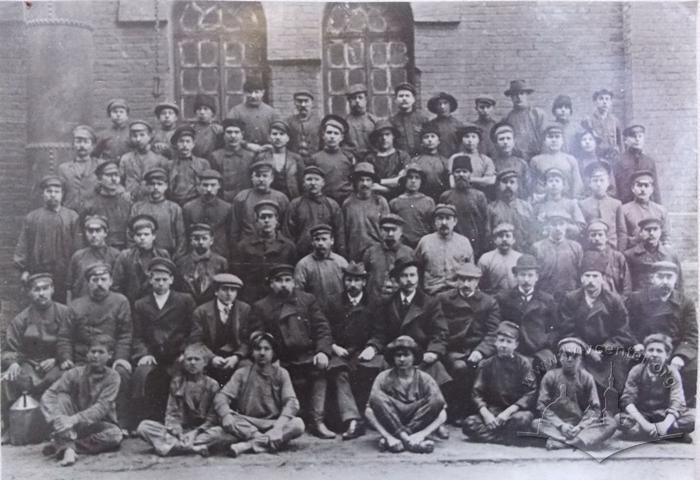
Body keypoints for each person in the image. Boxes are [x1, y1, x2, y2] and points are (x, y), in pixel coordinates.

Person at [247, 264, 335, 438]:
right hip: (281, 358)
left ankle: (317, 421)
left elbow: (322, 328)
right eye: (278, 281)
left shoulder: (307, 300)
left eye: (288, 280)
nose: (284, 285)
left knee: (320, 371)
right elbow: (257, 336)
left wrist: (323, 351)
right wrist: (271, 358)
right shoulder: (261, 306)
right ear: (271, 284)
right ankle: (282, 421)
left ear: (294, 282)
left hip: (307, 354)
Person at [359, 258, 452, 396]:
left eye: (412, 275)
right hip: (393, 356)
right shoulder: (386, 302)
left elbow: (440, 333)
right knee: (368, 371)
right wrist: (372, 347)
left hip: (421, 357)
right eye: (404, 276)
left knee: (436, 383)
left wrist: (434, 351)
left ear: (418, 277)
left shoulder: (430, 303)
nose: (409, 280)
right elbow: (380, 332)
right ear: (397, 279)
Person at [56, 263, 133, 430]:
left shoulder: (120, 301)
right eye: (94, 279)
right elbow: (65, 336)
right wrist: (66, 358)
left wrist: (120, 358)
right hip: (84, 357)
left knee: (122, 374)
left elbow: (125, 334)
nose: (99, 283)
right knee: (69, 377)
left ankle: (122, 423)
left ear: (111, 281)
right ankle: (74, 424)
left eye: (103, 279)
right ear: (88, 283)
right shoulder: (76, 305)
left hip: (110, 357)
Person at [211, 331, 305, 456]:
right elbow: (222, 396)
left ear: (273, 352)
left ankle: (248, 445)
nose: (262, 353)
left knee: (298, 424)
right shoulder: (242, 373)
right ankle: (263, 441)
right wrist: (226, 414)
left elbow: (291, 402)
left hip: (273, 423)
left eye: (266, 349)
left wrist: (277, 427)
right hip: (247, 423)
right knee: (226, 417)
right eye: (257, 349)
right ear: (252, 352)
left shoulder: (281, 373)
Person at [558, 251, 636, 393]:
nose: (591, 281)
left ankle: (614, 406)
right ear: (581, 278)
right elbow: (567, 330)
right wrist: (587, 349)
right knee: (573, 367)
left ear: (603, 279)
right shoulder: (571, 299)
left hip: (607, 351)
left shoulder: (614, 300)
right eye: (587, 276)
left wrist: (603, 349)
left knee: (618, 367)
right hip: (581, 348)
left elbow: (623, 332)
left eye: (595, 276)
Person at [40, 335, 123, 467]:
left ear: (110, 355)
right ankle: (66, 446)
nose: (95, 355)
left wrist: (73, 419)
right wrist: (57, 418)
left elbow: (102, 407)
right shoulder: (74, 373)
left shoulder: (113, 377)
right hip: (70, 426)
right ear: (87, 353)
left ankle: (65, 446)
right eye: (92, 351)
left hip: (95, 424)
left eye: (101, 352)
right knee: (61, 397)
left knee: (115, 435)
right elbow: (48, 395)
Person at [131, 258, 196, 425]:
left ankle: (182, 419)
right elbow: (137, 336)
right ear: (150, 280)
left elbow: (194, 331)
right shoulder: (140, 304)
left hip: (177, 353)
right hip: (153, 354)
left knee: (183, 373)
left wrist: (185, 353)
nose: (160, 283)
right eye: (157, 279)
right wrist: (143, 354)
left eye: (164, 280)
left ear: (172, 280)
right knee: (142, 374)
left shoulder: (185, 300)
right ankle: (141, 420)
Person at [1, 273, 67, 437]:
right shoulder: (21, 319)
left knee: (66, 377)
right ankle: (10, 425)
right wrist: (13, 363)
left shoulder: (65, 313)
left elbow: (75, 342)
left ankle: (59, 426)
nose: (41, 293)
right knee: (8, 378)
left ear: (52, 289)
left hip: (57, 364)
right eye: (36, 290)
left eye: (45, 288)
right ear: (30, 293)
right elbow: (9, 348)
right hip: (29, 365)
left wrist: (57, 359)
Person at [626, 261, 697, 405]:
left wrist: (680, 356)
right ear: (652, 278)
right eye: (660, 277)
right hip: (644, 349)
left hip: (673, 350)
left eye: (669, 277)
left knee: (693, 368)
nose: (665, 281)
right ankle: (638, 405)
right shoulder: (636, 299)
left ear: (675, 279)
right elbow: (625, 327)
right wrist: (635, 344)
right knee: (627, 367)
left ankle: (680, 405)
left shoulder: (685, 302)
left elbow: (692, 334)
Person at [436, 263, 501, 422]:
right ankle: (458, 412)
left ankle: (476, 410)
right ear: (456, 280)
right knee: (459, 367)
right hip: (453, 348)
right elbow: (438, 327)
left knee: (482, 367)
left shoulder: (488, 302)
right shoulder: (444, 299)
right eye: (462, 279)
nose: (466, 284)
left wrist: (480, 351)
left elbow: (493, 332)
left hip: (477, 348)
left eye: (471, 280)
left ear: (478, 281)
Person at [365, 335, 447, 454]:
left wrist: (423, 433)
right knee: (376, 398)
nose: (402, 359)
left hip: (417, 421)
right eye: (398, 355)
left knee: (437, 400)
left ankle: (402, 439)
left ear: (414, 357)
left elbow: (442, 412)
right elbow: (369, 412)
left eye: (406, 355)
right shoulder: (383, 377)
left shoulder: (425, 378)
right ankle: (405, 440)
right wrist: (386, 435)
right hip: (392, 419)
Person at [531, 337, 617, 450]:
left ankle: (566, 442)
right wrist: (561, 425)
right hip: (557, 423)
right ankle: (579, 441)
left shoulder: (587, 377)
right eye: (566, 355)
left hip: (581, 424)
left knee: (610, 423)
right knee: (536, 423)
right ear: (560, 357)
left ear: (580, 359)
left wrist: (581, 426)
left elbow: (594, 408)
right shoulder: (550, 376)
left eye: (575, 356)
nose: (570, 359)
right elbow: (542, 406)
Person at [136, 343, 220, 457]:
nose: (193, 363)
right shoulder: (177, 382)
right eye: (189, 359)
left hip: (201, 431)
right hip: (180, 431)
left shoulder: (212, 385)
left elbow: (212, 418)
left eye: (197, 359)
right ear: (184, 363)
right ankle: (192, 448)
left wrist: (195, 432)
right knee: (144, 427)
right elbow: (172, 414)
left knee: (219, 433)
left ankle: (175, 446)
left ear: (205, 363)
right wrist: (178, 432)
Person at [462, 321, 537, 445]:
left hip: (514, 412)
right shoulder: (486, 364)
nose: (504, 345)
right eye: (501, 340)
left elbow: (530, 392)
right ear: (495, 342)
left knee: (523, 419)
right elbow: (477, 393)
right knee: (469, 424)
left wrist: (508, 412)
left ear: (516, 344)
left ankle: (497, 436)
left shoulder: (524, 364)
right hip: (494, 411)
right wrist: (486, 414)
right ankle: (508, 439)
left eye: (509, 342)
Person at [14, 175, 81, 303]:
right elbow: (23, 245)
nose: (53, 195)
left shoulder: (72, 217)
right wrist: (24, 270)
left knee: (63, 308)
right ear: (43, 194)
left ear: (62, 194)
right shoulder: (32, 217)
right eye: (49, 191)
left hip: (64, 273)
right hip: (39, 271)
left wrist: (75, 273)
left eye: (56, 192)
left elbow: (78, 248)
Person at [616, 334, 695, 440]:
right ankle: (664, 434)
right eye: (650, 350)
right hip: (643, 415)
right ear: (644, 353)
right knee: (618, 419)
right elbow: (627, 400)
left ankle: (653, 433)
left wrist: (664, 425)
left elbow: (677, 402)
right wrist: (645, 425)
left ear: (667, 355)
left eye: (659, 351)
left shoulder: (672, 372)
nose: (654, 354)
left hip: (664, 415)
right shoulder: (637, 371)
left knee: (692, 419)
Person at [324, 262, 376, 414]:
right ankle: (351, 419)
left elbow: (380, 331)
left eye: (357, 280)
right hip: (341, 351)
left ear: (364, 282)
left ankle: (372, 414)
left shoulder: (374, 302)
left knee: (371, 370)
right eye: (349, 280)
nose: (352, 284)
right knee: (339, 372)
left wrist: (372, 347)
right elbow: (324, 330)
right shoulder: (333, 302)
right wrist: (333, 346)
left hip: (364, 351)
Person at [496, 254, 559, 375]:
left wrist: (545, 342)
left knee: (547, 366)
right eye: (522, 275)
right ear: (516, 276)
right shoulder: (504, 298)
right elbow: (499, 325)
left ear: (537, 277)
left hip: (539, 349)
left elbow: (555, 328)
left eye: (530, 275)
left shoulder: (547, 300)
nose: (526, 280)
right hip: (514, 348)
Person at [188, 273, 252, 386]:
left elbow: (247, 339)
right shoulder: (201, 311)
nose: (229, 294)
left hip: (235, 357)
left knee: (247, 368)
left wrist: (237, 357)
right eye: (224, 289)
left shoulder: (245, 309)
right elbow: (196, 341)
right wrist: (211, 358)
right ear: (216, 291)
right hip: (210, 355)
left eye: (233, 290)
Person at [231, 200, 296, 303]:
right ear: (256, 221)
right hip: (251, 298)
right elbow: (238, 275)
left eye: (270, 217)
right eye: (263, 217)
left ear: (277, 220)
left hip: (278, 297)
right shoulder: (244, 246)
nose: (267, 221)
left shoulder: (288, 246)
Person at [285, 165, 345, 258]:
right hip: (301, 255)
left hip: (327, 255)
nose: (313, 183)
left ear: (323, 183)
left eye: (317, 179)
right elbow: (288, 234)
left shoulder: (332, 205)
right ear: (303, 183)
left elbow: (339, 233)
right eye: (309, 179)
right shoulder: (295, 204)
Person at [414, 203, 474, 295]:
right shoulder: (425, 241)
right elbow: (416, 269)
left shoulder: (464, 242)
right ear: (435, 221)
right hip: (431, 294)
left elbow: (470, 271)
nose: (444, 223)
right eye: (440, 218)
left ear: (455, 221)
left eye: (448, 218)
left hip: (457, 294)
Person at [112, 215, 171, 305]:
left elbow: (170, 282)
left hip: (157, 303)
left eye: (146, 234)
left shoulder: (163, 254)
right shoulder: (125, 256)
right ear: (133, 237)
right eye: (138, 235)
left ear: (154, 236)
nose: (142, 238)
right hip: (133, 303)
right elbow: (116, 285)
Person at [228, 160, 290, 245]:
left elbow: (285, 227)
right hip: (248, 246)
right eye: (257, 176)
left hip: (274, 245)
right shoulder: (242, 197)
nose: (261, 179)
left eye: (265, 176)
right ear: (252, 178)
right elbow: (235, 228)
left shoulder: (281, 198)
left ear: (271, 178)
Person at [439, 155, 489, 258]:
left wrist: (483, 245)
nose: (461, 175)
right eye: (457, 171)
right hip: (451, 242)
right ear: (453, 174)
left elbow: (485, 222)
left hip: (475, 243)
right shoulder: (446, 196)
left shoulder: (479, 196)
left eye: (465, 171)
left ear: (470, 174)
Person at [129, 167, 186, 256]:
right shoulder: (137, 207)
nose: (156, 187)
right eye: (152, 184)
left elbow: (181, 237)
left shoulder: (174, 208)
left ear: (166, 186)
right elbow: (130, 234)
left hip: (168, 254)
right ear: (147, 186)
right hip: (142, 253)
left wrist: (177, 257)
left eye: (159, 184)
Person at [294, 224, 348, 313]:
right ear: (312, 242)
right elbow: (299, 293)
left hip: (339, 313)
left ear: (332, 241)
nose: (320, 243)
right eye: (317, 239)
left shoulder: (341, 262)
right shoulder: (303, 265)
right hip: (315, 314)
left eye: (324, 239)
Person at [341, 162, 390, 261]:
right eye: (361, 180)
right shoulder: (348, 204)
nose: (365, 184)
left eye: (368, 180)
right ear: (355, 182)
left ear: (373, 183)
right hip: (355, 252)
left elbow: (386, 229)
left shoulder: (380, 201)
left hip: (376, 252)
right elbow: (344, 231)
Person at [361, 213, 414, 303]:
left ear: (401, 232)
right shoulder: (370, 252)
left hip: (399, 304)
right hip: (375, 303)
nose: (390, 234)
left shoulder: (409, 253)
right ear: (380, 231)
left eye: (394, 230)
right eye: (386, 230)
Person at [66, 215, 120, 301]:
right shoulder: (78, 256)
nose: (94, 235)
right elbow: (69, 287)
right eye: (90, 231)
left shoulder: (115, 255)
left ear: (105, 233)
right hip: (81, 305)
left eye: (98, 231)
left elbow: (118, 286)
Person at [531, 211, 583, 299]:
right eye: (554, 224)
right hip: (544, 297)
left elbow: (580, 275)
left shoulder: (576, 247)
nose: (558, 228)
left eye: (561, 224)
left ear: (566, 226)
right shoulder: (537, 247)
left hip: (569, 297)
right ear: (547, 226)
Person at [82, 160, 132, 250]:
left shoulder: (126, 203)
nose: (114, 179)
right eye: (109, 175)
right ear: (100, 179)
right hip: (98, 250)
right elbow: (82, 233)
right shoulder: (90, 205)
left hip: (123, 250)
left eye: (116, 175)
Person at [182, 169, 232, 259]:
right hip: (196, 253)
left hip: (220, 252)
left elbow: (230, 233)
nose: (209, 189)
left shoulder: (227, 208)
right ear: (198, 186)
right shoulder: (188, 208)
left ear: (219, 186)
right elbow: (186, 234)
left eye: (213, 185)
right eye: (205, 185)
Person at [175, 223, 229, 305]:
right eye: (196, 239)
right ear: (191, 241)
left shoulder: (221, 262)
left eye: (204, 238)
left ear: (211, 241)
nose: (200, 242)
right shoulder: (181, 263)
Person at [624, 217, 682, 292]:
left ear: (660, 232)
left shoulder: (670, 254)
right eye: (647, 230)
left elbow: (679, 283)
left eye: (655, 229)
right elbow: (627, 285)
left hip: (664, 298)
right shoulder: (630, 255)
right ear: (641, 233)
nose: (651, 233)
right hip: (640, 299)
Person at [308, 114, 356, 204]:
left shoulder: (348, 157)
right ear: (323, 135)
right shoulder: (315, 158)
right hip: (323, 202)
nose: (332, 136)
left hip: (345, 201)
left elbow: (353, 180)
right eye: (329, 132)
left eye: (336, 133)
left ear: (341, 138)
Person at [579, 161, 626, 251]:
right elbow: (582, 232)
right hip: (590, 249)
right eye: (595, 181)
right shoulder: (583, 204)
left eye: (602, 180)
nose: (599, 184)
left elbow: (622, 232)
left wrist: (620, 252)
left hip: (612, 249)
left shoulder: (616, 204)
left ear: (608, 182)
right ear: (590, 183)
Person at [119, 120, 170, 202]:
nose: (138, 139)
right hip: (130, 200)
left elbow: (166, 183)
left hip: (153, 200)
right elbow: (119, 180)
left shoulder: (160, 159)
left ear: (150, 136)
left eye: (142, 135)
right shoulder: (125, 158)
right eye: (134, 136)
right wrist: (123, 192)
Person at [530, 123, 584, 200]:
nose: (554, 140)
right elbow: (531, 185)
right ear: (545, 140)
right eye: (550, 137)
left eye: (557, 137)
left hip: (566, 200)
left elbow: (577, 183)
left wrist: (574, 199)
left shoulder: (570, 159)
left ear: (562, 141)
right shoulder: (536, 160)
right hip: (543, 201)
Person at [487, 169, 536, 252]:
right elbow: (488, 236)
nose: (508, 185)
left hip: (523, 252)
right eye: (504, 182)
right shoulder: (491, 208)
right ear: (498, 185)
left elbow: (532, 233)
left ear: (517, 185)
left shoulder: (526, 207)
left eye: (512, 182)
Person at [253, 120, 303, 199]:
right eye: (274, 134)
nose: (278, 137)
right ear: (269, 137)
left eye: (282, 134)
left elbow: (301, 183)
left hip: (291, 199)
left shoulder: (296, 158)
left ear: (288, 138)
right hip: (268, 198)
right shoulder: (262, 157)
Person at [389, 163, 436, 248]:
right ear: (404, 180)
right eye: (410, 177)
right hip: (401, 246)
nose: (413, 181)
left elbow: (433, 227)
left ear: (421, 181)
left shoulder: (428, 202)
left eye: (417, 178)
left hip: (423, 244)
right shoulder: (395, 202)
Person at [209, 118, 256, 202]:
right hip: (222, 201)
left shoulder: (250, 156)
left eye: (236, 132)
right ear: (223, 135)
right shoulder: (215, 156)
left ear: (242, 135)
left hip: (245, 200)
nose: (233, 136)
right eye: (229, 132)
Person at [226, 77, 282, 145]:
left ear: (263, 92)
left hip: (266, 150)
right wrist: (246, 144)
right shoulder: (236, 111)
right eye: (249, 92)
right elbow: (227, 134)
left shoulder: (271, 112)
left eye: (256, 92)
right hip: (243, 151)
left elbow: (280, 134)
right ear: (245, 93)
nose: (253, 96)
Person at [59, 125, 102, 212]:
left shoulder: (100, 165)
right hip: (70, 213)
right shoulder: (64, 168)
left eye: (86, 142)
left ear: (93, 145)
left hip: (94, 215)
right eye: (78, 142)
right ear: (73, 144)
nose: (82, 145)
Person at [621, 170, 668, 249]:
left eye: (646, 186)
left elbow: (666, 237)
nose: (643, 189)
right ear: (633, 188)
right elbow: (622, 237)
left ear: (652, 189)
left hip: (656, 253)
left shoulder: (661, 210)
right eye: (639, 185)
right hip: (633, 253)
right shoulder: (624, 210)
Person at [533, 167, 585, 237]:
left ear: (563, 185)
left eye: (557, 181)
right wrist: (539, 223)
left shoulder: (571, 204)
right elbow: (533, 229)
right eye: (550, 181)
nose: (554, 184)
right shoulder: (539, 206)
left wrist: (565, 226)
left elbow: (580, 227)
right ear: (545, 185)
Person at [616, 124, 662, 204]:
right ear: (626, 140)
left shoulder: (649, 161)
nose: (637, 139)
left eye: (640, 136)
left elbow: (655, 188)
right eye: (633, 137)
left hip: (646, 205)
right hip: (626, 203)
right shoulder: (619, 160)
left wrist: (659, 206)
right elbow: (615, 187)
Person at [584, 220, 632, 296]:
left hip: (614, 300)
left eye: (600, 235)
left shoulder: (617, 256)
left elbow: (626, 285)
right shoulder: (584, 257)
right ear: (588, 238)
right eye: (593, 235)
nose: (597, 238)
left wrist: (621, 301)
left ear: (606, 237)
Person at [168, 125, 211, 206]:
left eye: (188, 141)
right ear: (176, 144)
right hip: (174, 203)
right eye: (181, 141)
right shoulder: (169, 165)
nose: (184, 145)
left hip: (196, 203)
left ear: (193, 144)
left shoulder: (203, 163)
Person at [366, 120, 411, 197]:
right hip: (376, 197)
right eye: (380, 135)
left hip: (399, 197)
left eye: (387, 134)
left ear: (393, 136)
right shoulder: (370, 158)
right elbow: (368, 182)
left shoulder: (402, 156)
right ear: (376, 138)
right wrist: (391, 182)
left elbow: (402, 180)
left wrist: (380, 184)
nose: (384, 138)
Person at [503, 80, 546, 161]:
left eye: (522, 94)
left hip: (536, 157)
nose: (518, 97)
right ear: (511, 98)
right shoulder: (507, 118)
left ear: (527, 95)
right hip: (517, 159)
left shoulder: (538, 114)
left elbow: (545, 139)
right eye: (515, 95)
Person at [447, 123, 496, 193]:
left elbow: (491, 180)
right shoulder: (454, 158)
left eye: (474, 137)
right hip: (458, 193)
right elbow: (452, 183)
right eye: (467, 137)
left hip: (479, 193)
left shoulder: (486, 160)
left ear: (479, 140)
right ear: (462, 139)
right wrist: (481, 180)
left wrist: (467, 179)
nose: (470, 140)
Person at [477, 223, 523, 296]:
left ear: (513, 240)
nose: (504, 239)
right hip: (493, 300)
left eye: (508, 236)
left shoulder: (520, 258)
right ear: (495, 240)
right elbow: (478, 283)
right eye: (501, 236)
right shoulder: (486, 258)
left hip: (516, 300)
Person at [410, 124, 449, 200]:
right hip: (421, 197)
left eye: (433, 136)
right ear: (421, 142)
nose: (430, 140)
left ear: (438, 141)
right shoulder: (415, 161)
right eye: (426, 137)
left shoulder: (445, 161)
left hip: (441, 196)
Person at [390, 82, 428, 156]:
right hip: (400, 159)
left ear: (413, 99)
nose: (404, 98)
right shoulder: (391, 121)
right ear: (395, 100)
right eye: (401, 96)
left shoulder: (423, 119)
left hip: (420, 158)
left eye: (407, 96)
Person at [581, 88, 621, 155]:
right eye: (601, 99)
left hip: (612, 157)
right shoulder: (588, 120)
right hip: (595, 157)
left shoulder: (615, 121)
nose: (604, 102)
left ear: (610, 102)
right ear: (595, 102)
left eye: (607, 99)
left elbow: (620, 143)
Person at [344, 83, 378, 161]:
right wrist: (349, 156)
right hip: (351, 160)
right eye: (353, 98)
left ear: (366, 100)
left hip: (373, 159)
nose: (357, 101)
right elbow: (342, 145)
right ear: (349, 101)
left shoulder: (374, 121)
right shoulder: (345, 123)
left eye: (360, 97)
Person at [425, 91, 463, 158]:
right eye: (439, 104)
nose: (442, 106)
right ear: (435, 107)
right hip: (436, 159)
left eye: (445, 103)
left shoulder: (458, 125)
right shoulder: (430, 125)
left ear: (450, 105)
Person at [286, 89, 321, 160]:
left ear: (312, 103)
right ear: (295, 103)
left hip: (314, 160)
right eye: (299, 101)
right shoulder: (289, 122)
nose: (303, 105)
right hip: (295, 161)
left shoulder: (319, 122)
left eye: (306, 101)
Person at [191, 93, 222, 159]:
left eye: (206, 109)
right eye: (199, 109)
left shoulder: (218, 130)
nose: (202, 112)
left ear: (212, 112)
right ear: (195, 112)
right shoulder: (190, 129)